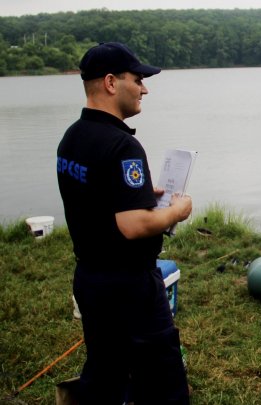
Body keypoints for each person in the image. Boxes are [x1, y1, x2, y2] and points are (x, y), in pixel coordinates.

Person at [56, 42, 193, 404]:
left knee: (106, 370)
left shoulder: (73, 137)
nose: (145, 88)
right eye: (139, 79)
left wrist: (138, 193)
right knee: (163, 382)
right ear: (112, 83)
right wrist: (175, 212)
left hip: (90, 279)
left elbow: (95, 197)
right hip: (129, 286)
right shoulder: (122, 146)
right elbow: (132, 225)